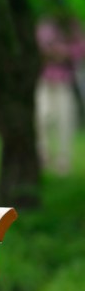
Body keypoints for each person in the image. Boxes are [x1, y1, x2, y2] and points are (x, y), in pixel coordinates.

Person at [36, 12, 85, 175]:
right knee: (41, 117)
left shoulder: (73, 28)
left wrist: (63, 52)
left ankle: (63, 160)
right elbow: (37, 48)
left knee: (65, 121)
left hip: (64, 80)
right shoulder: (44, 26)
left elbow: (79, 50)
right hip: (45, 79)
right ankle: (43, 155)